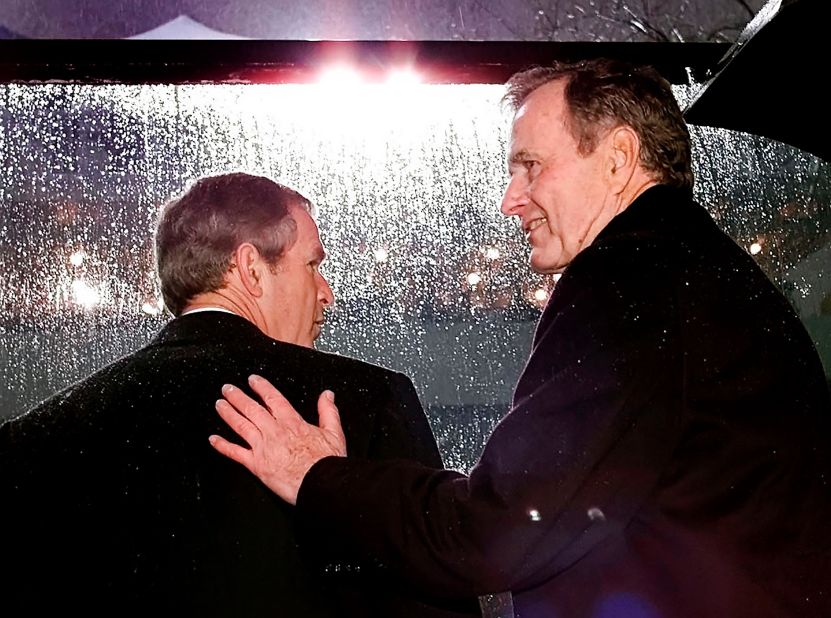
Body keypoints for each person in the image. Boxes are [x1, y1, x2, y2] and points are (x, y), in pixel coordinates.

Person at [209, 60, 831, 618]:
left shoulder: (629, 279)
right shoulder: (701, 273)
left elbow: (500, 533)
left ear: (617, 159)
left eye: (530, 166)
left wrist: (318, 476)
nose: (511, 201)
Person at [0, 172, 477, 617]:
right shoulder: (366, 399)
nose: (326, 292)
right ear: (251, 268)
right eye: (312, 264)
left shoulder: (31, 440)